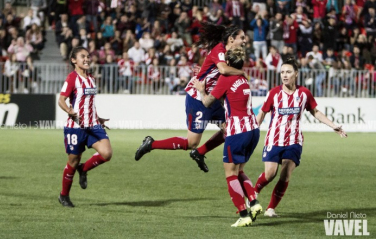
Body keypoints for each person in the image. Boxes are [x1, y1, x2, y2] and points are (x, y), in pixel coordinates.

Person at [135, 23, 246, 172]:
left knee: (229, 130)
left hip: (211, 99)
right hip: (198, 99)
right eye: (242, 38)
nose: (245, 41)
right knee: (192, 143)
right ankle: (151, 144)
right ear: (231, 39)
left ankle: (200, 153)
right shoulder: (219, 49)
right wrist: (242, 73)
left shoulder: (230, 55)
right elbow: (223, 70)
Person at [253, 57, 347, 217]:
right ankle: (253, 194)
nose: (284, 75)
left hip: (294, 141)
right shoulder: (274, 93)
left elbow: (315, 112)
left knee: (285, 174)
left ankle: (270, 209)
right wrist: (252, 131)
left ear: (296, 74)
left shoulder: (304, 93)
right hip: (274, 140)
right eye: (282, 72)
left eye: (288, 72)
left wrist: (333, 126)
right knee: (270, 174)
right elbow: (262, 113)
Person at [193, 47, 262, 227]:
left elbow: (207, 103)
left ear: (228, 64)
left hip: (238, 131)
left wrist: (201, 89)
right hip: (253, 129)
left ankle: (243, 213)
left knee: (230, 174)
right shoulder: (243, 78)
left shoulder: (226, 78)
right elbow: (231, 98)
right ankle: (254, 202)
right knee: (239, 171)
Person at [58, 47, 112, 207]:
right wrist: (69, 111)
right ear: (74, 60)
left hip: (93, 125)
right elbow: (61, 100)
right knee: (73, 162)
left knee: (107, 153)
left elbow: (89, 103)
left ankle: (84, 169)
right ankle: (64, 196)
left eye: (88, 56)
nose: (87, 59)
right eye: (83, 56)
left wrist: (98, 118)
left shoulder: (91, 79)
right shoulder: (72, 78)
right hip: (75, 127)